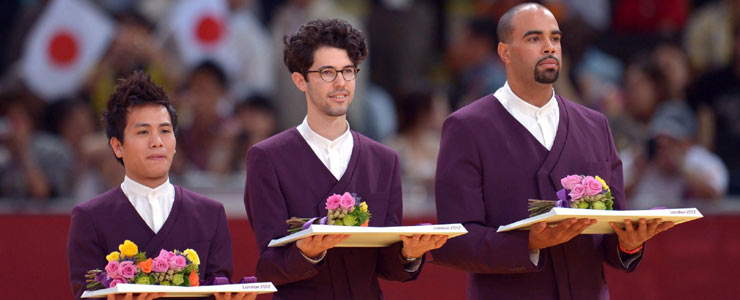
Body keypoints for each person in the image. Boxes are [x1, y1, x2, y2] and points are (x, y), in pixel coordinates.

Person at [431, 3, 674, 299]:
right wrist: (528, 243)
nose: (549, 47)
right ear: (505, 52)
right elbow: (454, 241)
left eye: (555, 38)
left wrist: (630, 243)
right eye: (534, 39)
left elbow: (613, 230)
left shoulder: (595, 125)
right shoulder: (466, 127)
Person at [244, 18, 447, 300]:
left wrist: (409, 254)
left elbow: (387, 266)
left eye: (348, 71)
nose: (341, 83)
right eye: (327, 72)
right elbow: (268, 266)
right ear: (300, 80)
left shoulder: (384, 160)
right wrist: (307, 253)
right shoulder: (268, 158)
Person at [67, 71, 254, 300]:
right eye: (143, 132)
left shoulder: (210, 214)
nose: (157, 142)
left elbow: (219, 288)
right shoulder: (90, 218)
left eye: (165, 131)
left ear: (175, 143)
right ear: (117, 146)